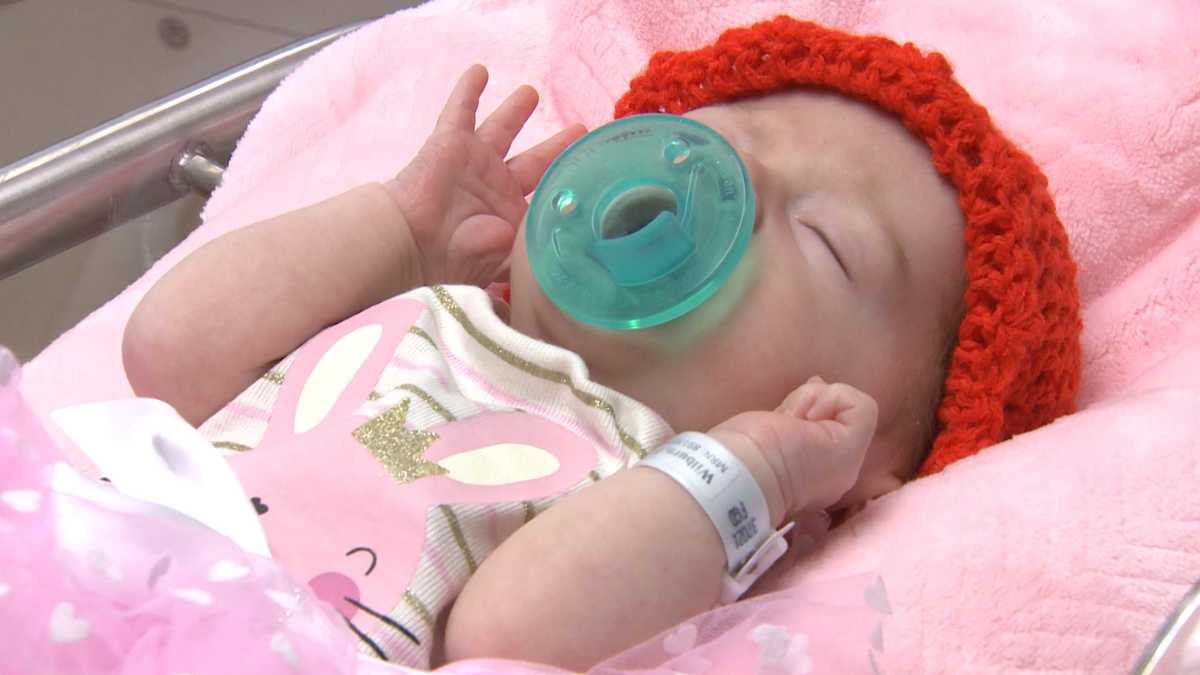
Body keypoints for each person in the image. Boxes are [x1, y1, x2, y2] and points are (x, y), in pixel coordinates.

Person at [122, 16, 1082, 671]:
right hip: (94, 551)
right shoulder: (428, 304)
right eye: (714, 136)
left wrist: (753, 472)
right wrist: (397, 233)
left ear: (863, 449)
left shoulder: (664, 493)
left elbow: (506, 632)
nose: (732, 176)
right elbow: (171, 355)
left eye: (828, 240)